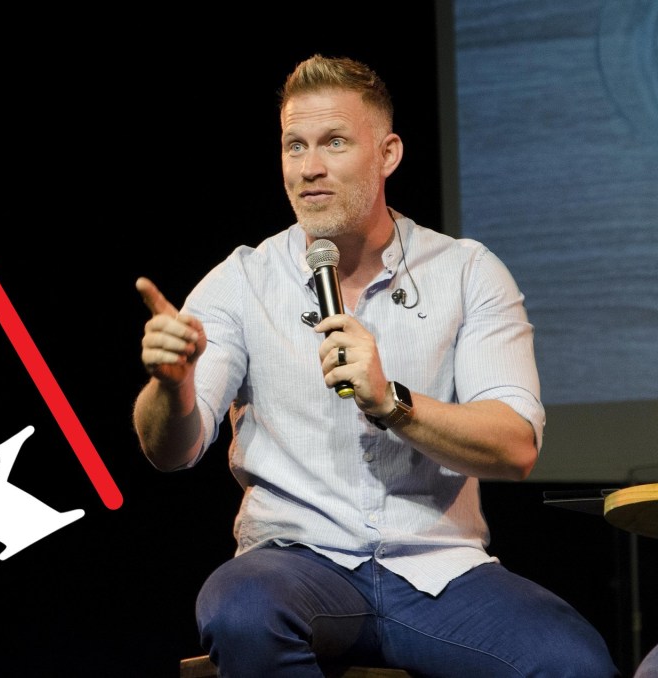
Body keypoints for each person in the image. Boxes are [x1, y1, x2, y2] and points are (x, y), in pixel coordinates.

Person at [132, 54, 619, 677]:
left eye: (334, 142)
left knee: (574, 661)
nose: (309, 167)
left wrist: (392, 403)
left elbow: (515, 446)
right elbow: (171, 451)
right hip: (297, 562)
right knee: (242, 610)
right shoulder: (242, 281)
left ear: (387, 154)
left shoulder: (467, 272)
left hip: (440, 573)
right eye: (295, 146)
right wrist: (170, 386)